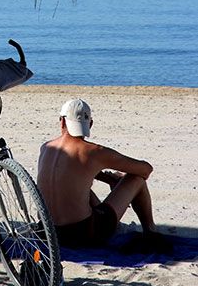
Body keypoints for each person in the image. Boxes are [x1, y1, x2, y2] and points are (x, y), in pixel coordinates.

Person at [37, 98, 164, 251]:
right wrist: (119, 178)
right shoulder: (94, 152)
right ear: (89, 124)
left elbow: (74, 172)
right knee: (136, 179)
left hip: (47, 232)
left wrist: (105, 177)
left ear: (62, 122)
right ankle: (150, 230)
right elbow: (145, 170)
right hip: (83, 234)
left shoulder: (46, 148)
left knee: (73, 187)